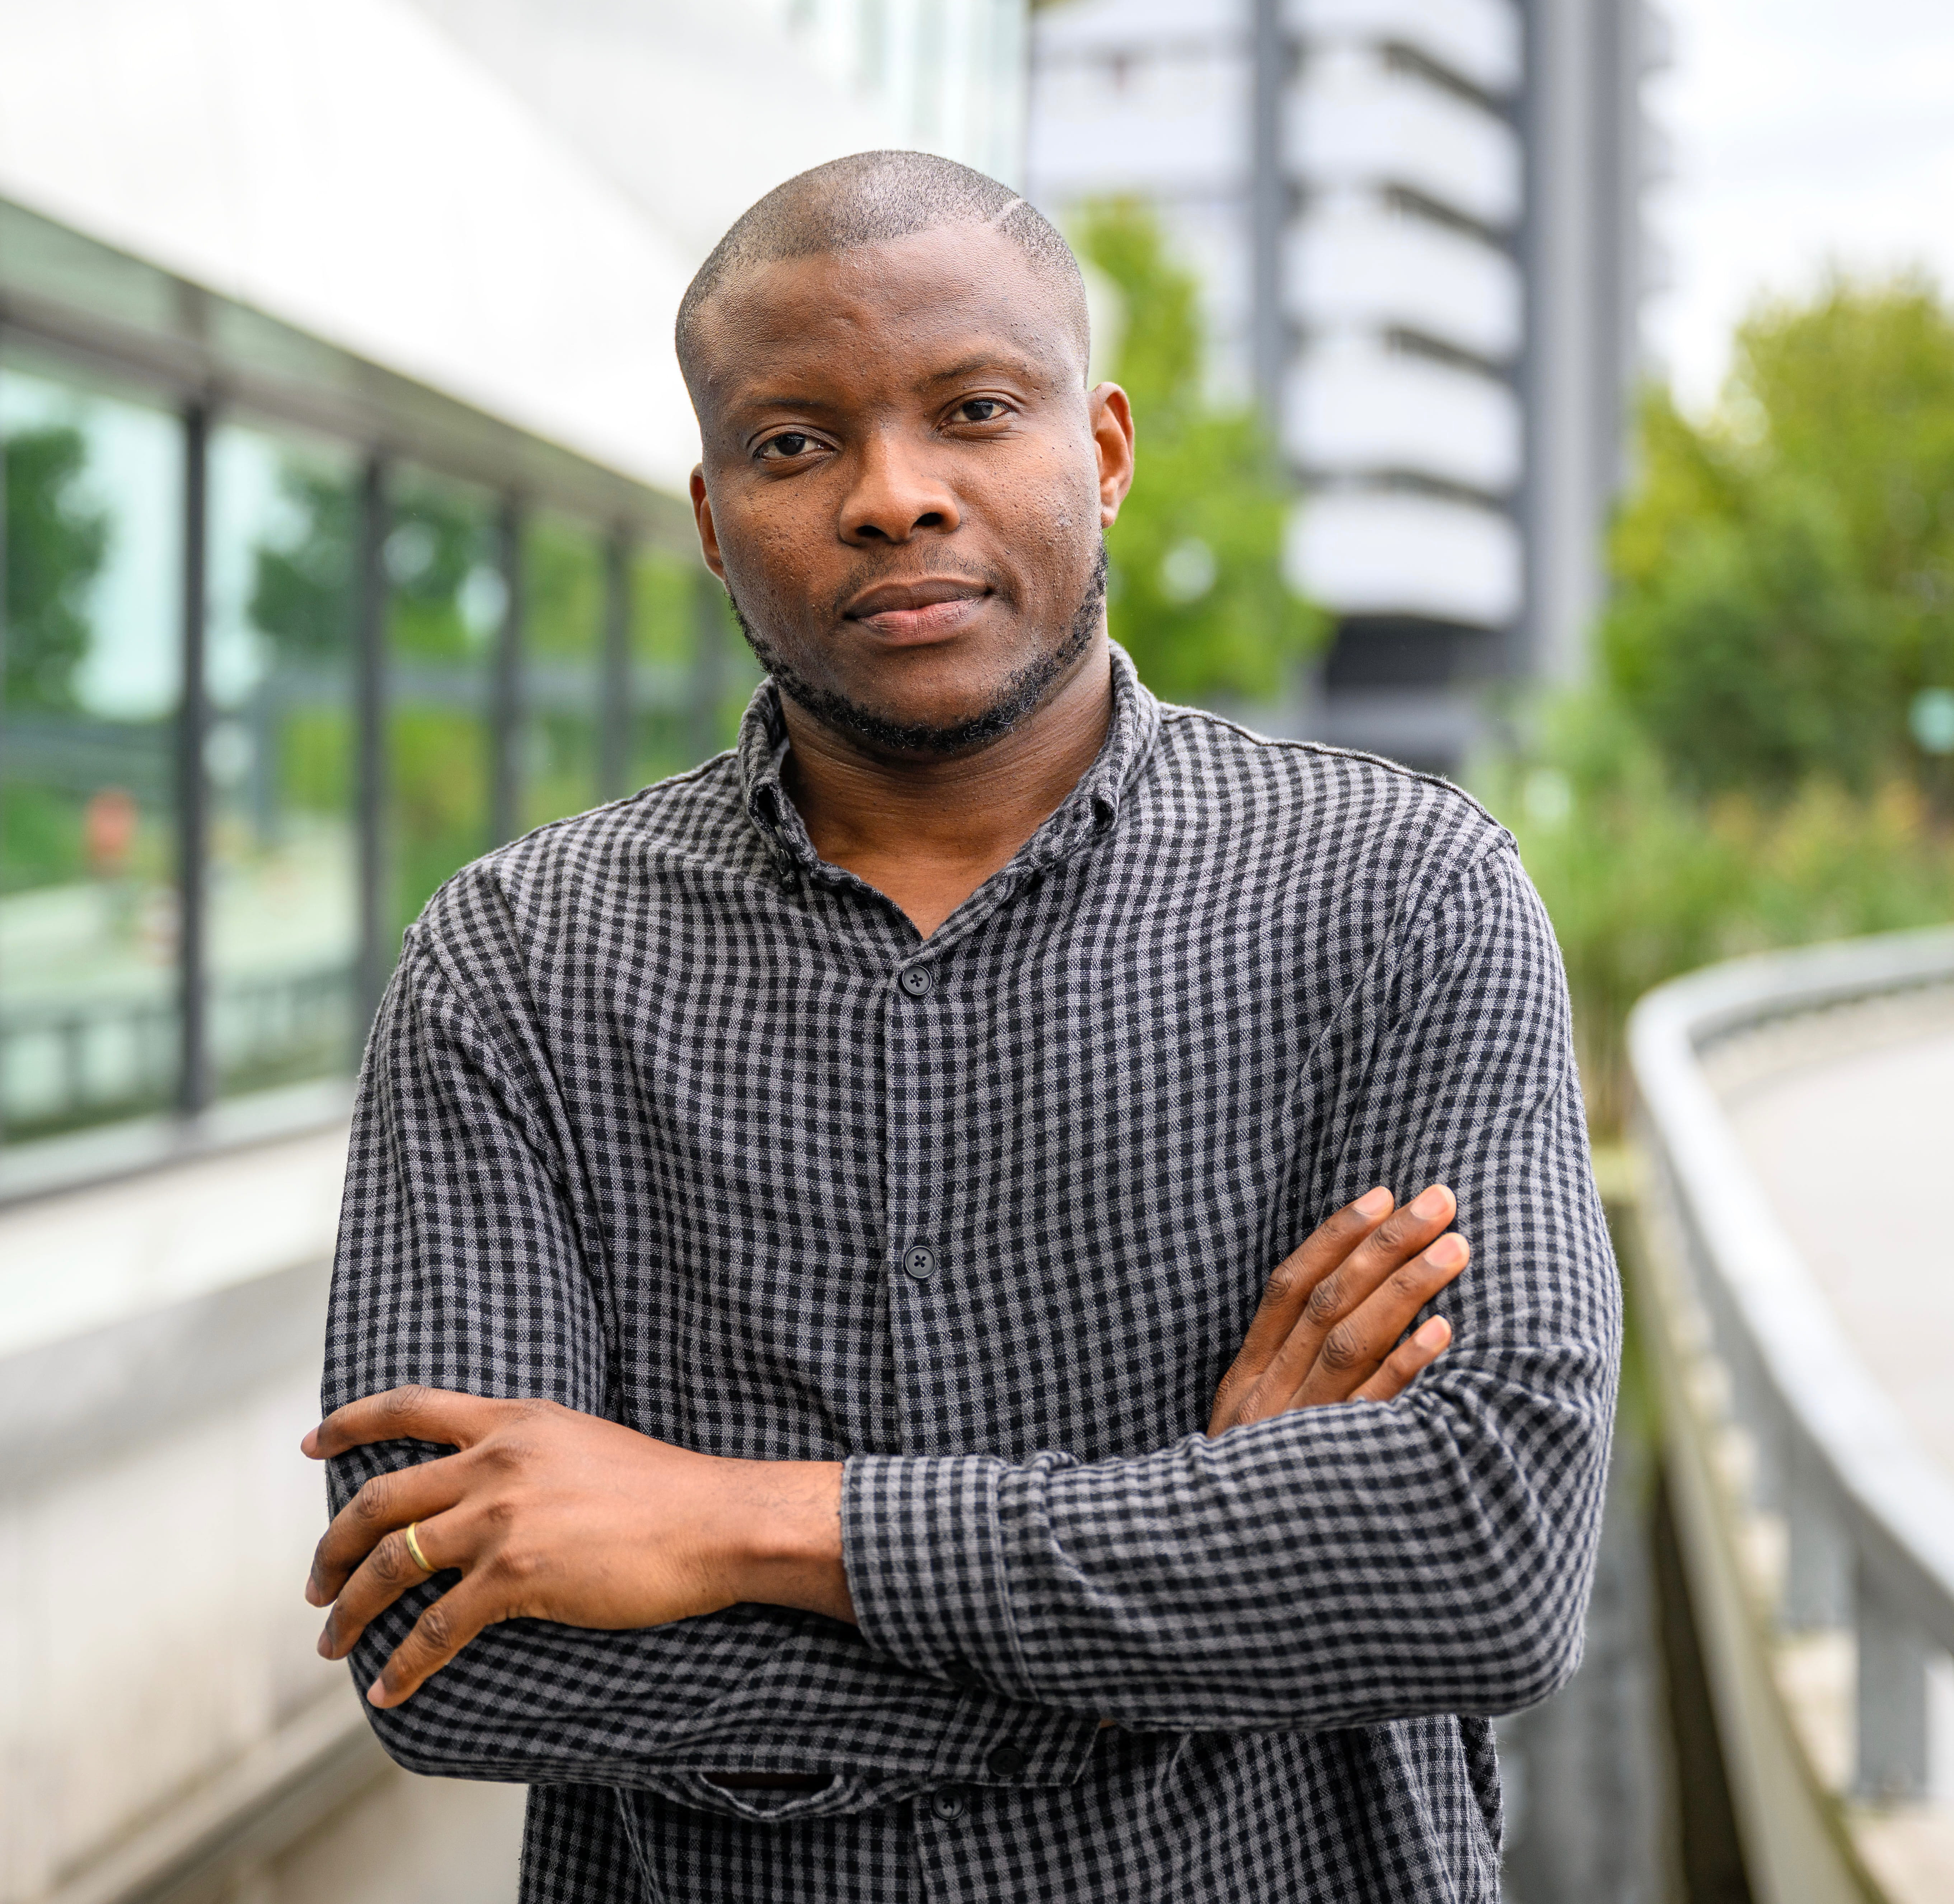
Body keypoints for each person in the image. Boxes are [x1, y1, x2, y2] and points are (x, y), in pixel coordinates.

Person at [304, 151, 1620, 1902]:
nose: (894, 496)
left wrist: (740, 1525)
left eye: (975, 411)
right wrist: (1202, 1573)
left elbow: (1486, 1557)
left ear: (1106, 448)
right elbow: (453, 1650)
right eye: (794, 444)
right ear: (710, 517)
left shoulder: (1399, 897)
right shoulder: (517, 970)